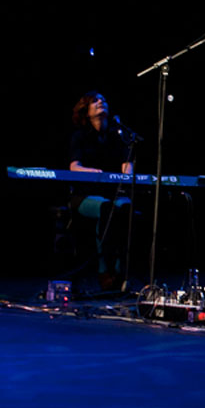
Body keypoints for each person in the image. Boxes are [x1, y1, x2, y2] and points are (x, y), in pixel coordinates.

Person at [68, 90, 135, 289]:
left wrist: (127, 172)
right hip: (84, 196)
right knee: (107, 208)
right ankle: (104, 270)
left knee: (125, 209)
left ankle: (121, 271)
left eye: (103, 100)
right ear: (85, 110)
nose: (100, 102)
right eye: (95, 101)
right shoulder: (79, 136)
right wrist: (93, 172)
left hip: (113, 194)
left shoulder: (117, 135)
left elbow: (127, 164)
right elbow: (74, 167)